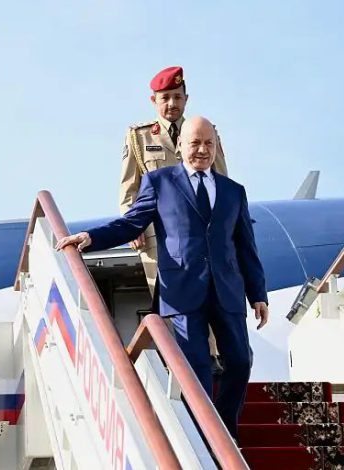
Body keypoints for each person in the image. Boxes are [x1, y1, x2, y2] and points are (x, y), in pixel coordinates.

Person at [57, 116, 269, 439]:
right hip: (181, 291)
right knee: (196, 368)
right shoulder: (159, 182)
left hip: (227, 290)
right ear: (180, 145)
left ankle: (224, 428)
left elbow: (245, 247)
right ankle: (207, 440)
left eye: (209, 144)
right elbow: (131, 224)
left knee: (240, 362)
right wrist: (91, 237)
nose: (202, 150)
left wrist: (258, 294)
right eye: (195, 143)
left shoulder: (233, 192)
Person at [121, 66, 226, 366]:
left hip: (200, 232)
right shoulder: (139, 137)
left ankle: (211, 358)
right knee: (170, 299)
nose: (172, 104)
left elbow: (222, 182)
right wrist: (132, 226)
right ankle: (177, 362)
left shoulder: (205, 133)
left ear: (186, 99)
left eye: (177, 97)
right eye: (165, 97)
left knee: (207, 292)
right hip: (158, 234)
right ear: (153, 100)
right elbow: (129, 189)